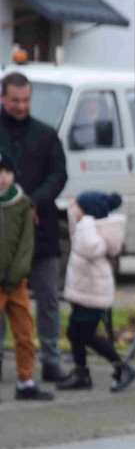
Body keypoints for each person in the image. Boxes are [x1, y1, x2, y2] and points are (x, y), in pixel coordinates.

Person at [0, 72, 69, 382]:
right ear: (3, 98)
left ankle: (51, 361)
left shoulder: (46, 134)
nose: (20, 106)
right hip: (3, 231)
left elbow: (59, 174)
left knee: (48, 296)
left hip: (41, 226)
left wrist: (33, 203)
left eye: (26, 100)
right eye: (15, 100)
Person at [57, 191, 135, 393]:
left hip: (93, 294)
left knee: (88, 335)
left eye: (78, 208)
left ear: (87, 212)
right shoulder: (90, 229)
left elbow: (91, 248)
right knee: (75, 332)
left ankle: (122, 367)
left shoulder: (90, 231)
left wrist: (84, 222)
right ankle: (81, 373)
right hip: (83, 292)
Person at [0, 149, 52, 401]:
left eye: (7, 172)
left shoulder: (23, 203)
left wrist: (15, 274)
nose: (3, 177)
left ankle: (26, 381)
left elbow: (25, 245)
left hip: (16, 282)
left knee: (24, 333)